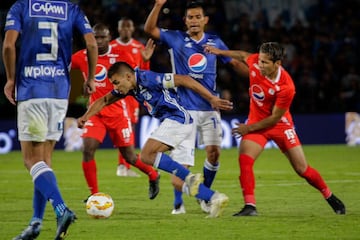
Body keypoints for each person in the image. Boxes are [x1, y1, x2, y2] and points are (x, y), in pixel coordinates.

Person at [204, 42, 346, 216]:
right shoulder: (256, 61)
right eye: (260, 60)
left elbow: (274, 118)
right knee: (245, 160)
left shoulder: (287, 87)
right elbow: (242, 55)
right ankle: (250, 206)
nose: (259, 65)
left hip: (279, 125)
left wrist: (248, 128)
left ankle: (330, 196)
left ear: (277, 64)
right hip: (257, 123)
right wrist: (219, 51)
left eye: (265, 63)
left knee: (302, 169)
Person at [77, 61, 233, 218]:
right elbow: (104, 100)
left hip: (178, 119)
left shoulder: (149, 79)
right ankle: (215, 198)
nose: (115, 87)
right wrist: (86, 117)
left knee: (146, 155)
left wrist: (211, 98)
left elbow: (185, 79)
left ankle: (191, 178)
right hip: (178, 124)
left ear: (128, 76)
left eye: (116, 83)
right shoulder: (131, 88)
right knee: (177, 182)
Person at [2, 0, 98, 239]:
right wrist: (91, 78)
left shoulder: (22, 6)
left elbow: (8, 46)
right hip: (58, 93)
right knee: (44, 161)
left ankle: (61, 208)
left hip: (32, 90)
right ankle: (35, 223)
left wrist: (11, 79)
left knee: (30, 160)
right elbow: (92, 43)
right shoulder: (72, 8)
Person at [144, 0, 248, 214]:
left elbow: (235, 63)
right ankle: (178, 202)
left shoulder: (215, 41)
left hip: (210, 108)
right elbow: (149, 29)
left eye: (197, 17)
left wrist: (256, 76)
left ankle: (205, 196)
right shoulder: (176, 38)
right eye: (190, 17)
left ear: (205, 20)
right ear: (185, 21)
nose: (193, 21)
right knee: (181, 169)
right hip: (184, 111)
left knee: (214, 154)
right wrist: (157, 5)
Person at [71, 23, 160, 200]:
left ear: (109, 37)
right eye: (95, 37)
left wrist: (144, 60)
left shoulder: (120, 55)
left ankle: (153, 175)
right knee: (88, 149)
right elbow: (63, 66)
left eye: (102, 37)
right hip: (95, 112)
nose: (98, 41)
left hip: (118, 112)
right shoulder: (81, 56)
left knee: (129, 157)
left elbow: (136, 76)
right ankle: (94, 195)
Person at [110, 17, 151, 177]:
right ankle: (123, 166)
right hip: (116, 94)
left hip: (133, 95)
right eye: (123, 27)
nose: (126, 30)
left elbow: (144, 71)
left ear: (132, 29)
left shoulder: (139, 47)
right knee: (120, 128)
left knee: (130, 127)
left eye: (129, 27)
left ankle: (124, 165)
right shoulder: (111, 46)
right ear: (119, 29)